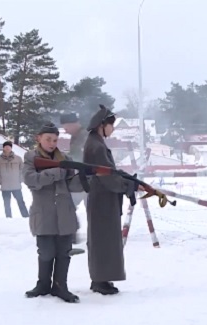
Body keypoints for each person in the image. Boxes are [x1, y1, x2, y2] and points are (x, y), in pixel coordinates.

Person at [21, 123, 89, 303]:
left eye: (55, 140)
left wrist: (84, 177)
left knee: (63, 252)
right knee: (46, 252)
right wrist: (57, 172)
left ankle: (60, 286)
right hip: (43, 213)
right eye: (48, 139)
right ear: (39, 139)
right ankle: (43, 284)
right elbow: (31, 180)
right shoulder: (31, 158)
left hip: (65, 212)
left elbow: (72, 186)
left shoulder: (65, 158)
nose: (52, 143)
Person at [83, 105, 138, 295]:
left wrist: (126, 178)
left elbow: (109, 171)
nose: (112, 129)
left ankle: (102, 278)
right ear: (102, 125)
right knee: (102, 239)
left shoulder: (96, 142)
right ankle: (99, 280)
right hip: (102, 198)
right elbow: (105, 175)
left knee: (105, 238)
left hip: (103, 197)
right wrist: (125, 186)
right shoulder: (95, 145)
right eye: (111, 125)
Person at [60, 112, 88, 256]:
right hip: (78, 180)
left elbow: (81, 158)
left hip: (86, 180)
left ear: (73, 123)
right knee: (68, 206)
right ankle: (72, 234)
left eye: (66, 127)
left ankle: (95, 238)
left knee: (91, 210)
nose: (65, 130)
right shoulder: (76, 137)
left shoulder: (85, 136)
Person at [0, 141, 29, 218]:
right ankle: (9, 218)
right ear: (3, 148)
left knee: (21, 202)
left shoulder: (18, 159)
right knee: (7, 204)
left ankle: (26, 217)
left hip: (16, 186)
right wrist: (0, 181)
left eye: (9, 146)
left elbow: (23, 170)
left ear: (11, 148)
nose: (7, 148)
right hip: (5, 186)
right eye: (6, 146)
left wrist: (20, 179)